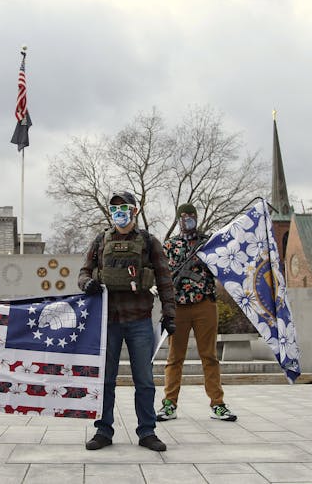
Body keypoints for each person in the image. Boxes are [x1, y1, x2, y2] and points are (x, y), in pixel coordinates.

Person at [78, 191, 176, 452]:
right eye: (115, 208)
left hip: (140, 321)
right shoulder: (101, 240)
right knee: (106, 379)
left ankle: (147, 432)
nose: (118, 211)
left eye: (123, 207)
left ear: (134, 210)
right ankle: (103, 430)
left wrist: (169, 313)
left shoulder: (148, 241)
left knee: (143, 380)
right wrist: (86, 283)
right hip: (107, 321)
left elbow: (165, 279)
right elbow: (84, 272)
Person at [156, 203, 237, 423]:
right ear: (178, 219)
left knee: (209, 356)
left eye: (192, 216)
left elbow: (225, 264)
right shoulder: (170, 245)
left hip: (205, 304)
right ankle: (169, 405)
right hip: (179, 306)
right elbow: (162, 275)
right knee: (174, 358)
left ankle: (218, 404)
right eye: (184, 217)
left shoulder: (208, 243)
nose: (188, 220)